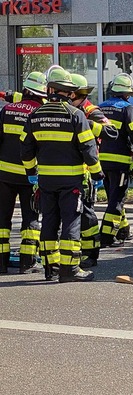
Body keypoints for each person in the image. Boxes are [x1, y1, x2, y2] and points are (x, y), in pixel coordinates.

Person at [21, 66, 104, 282]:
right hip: (71, 182)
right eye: (70, 92)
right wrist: (97, 175)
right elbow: (89, 151)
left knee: (49, 221)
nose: (71, 95)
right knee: (71, 222)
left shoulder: (35, 115)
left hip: (46, 181)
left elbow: (26, 149)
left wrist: (32, 173)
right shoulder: (76, 116)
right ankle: (70, 270)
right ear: (65, 93)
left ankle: (51, 267)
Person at [69, 73, 119, 269]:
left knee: (86, 212)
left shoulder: (90, 111)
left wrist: (86, 123)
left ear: (75, 95)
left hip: (87, 170)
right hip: (69, 167)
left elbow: (111, 131)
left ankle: (90, 253)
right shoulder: (66, 108)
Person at [0, 71, 47, 274]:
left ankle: (1, 263)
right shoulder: (40, 113)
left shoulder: (7, 110)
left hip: (3, 175)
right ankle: (27, 263)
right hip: (30, 175)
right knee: (30, 219)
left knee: (2, 220)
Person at [98, 73, 133, 247]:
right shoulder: (127, 109)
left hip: (101, 162)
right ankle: (106, 236)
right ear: (127, 94)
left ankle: (124, 230)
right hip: (120, 162)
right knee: (116, 201)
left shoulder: (100, 108)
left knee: (114, 197)